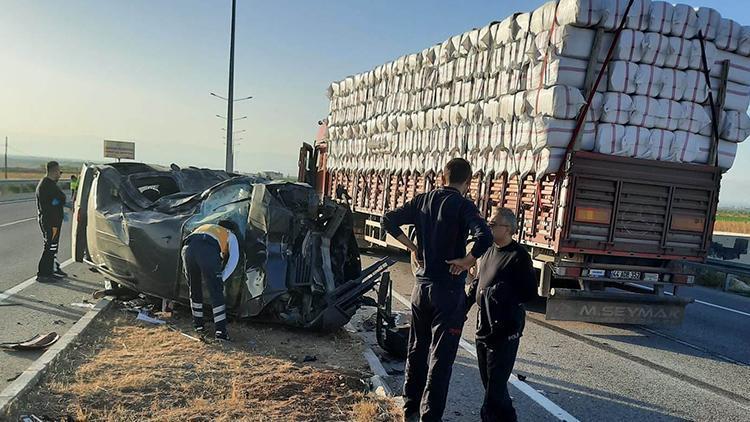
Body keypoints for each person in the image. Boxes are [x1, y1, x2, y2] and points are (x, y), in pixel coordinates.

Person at [382, 158, 493, 422]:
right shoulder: (464, 205)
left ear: (443, 178)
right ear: (467, 182)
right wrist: (467, 261)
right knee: (440, 360)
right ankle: (429, 418)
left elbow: (388, 219)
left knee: (416, 351)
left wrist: (412, 247)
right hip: (449, 291)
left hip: (422, 289)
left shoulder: (422, 201)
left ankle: (409, 412)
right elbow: (485, 236)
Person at [466, 207, 538, 422]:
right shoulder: (488, 250)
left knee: (494, 390)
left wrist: (502, 293)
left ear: (508, 229)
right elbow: (478, 282)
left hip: (505, 329)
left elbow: (529, 294)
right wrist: (462, 308)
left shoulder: (519, 257)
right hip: (484, 327)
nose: (488, 227)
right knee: (490, 385)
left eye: (493, 224)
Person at [181, 220, 240, 341]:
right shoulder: (229, 234)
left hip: (188, 249)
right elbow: (234, 258)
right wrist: (222, 278)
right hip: (207, 249)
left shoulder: (204, 227)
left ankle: (198, 326)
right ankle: (221, 333)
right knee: (216, 292)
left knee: (194, 288)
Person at [36, 161, 67, 282]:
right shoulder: (48, 185)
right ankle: (44, 274)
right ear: (55, 171)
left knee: (52, 247)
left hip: (51, 220)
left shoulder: (46, 184)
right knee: (50, 247)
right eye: (60, 172)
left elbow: (57, 200)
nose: (60, 175)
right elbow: (60, 199)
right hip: (51, 222)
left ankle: (50, 271)